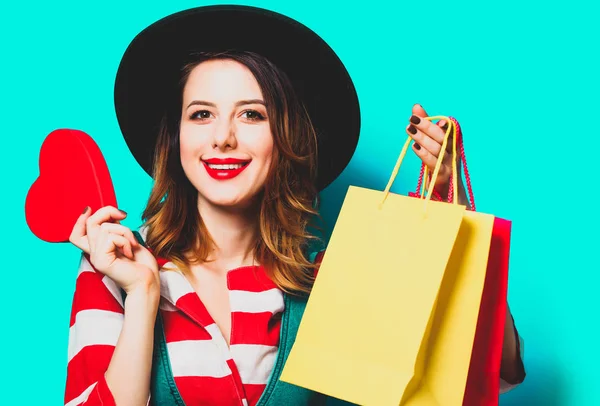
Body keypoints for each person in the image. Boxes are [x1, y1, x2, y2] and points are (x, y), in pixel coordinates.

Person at [63, 5, 526, 406]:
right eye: (201, 114)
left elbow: (490, 370)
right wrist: (143, 294)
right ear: (177, 137)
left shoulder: (335, 277)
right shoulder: (117, 264)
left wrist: (454, 212)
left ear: (286, 139)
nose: (223, 137)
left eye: (252, 114)